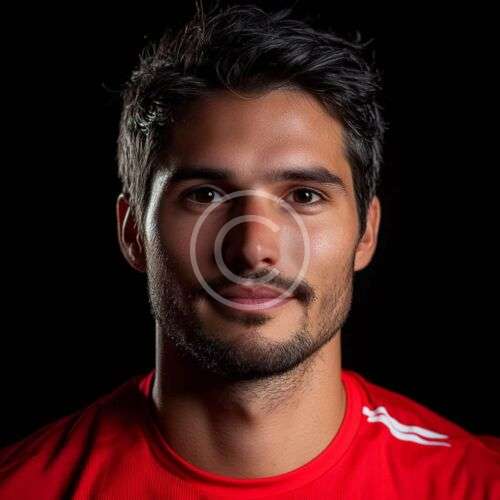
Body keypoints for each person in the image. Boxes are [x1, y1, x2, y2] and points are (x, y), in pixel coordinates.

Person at [1, 3, 499, 499]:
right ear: (133, 232)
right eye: (204, 195)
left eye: (304, 196)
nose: (253, 249)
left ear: (366, 232)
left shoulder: (478, 484)